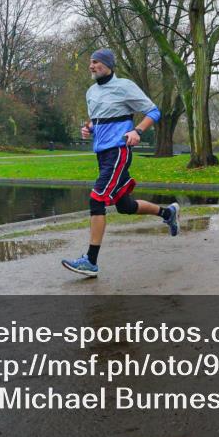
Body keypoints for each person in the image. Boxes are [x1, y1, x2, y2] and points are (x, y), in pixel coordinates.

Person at [61, 49, 180, 278]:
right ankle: (168, 213)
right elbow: (99, 121)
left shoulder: (125, 86)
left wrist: (137, 131)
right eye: (90, 62)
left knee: (97, 199)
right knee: (124, 205)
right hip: (102, 153)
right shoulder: (90, 92)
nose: (91, 66)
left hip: (118, 150)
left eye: (95, 62)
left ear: (107, 64)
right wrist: (89, 129)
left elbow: (153, 111)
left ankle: (91, 261)